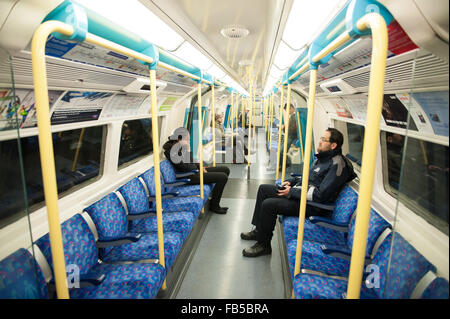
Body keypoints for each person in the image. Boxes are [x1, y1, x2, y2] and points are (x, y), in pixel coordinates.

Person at [241, 128, 356, 257]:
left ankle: (264, 245)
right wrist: (291, 182)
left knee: (269, 205)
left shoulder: (337, 165)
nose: (319, 142)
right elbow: (308, 177)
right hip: (300, 196)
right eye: (321, 138)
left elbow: (320, 195)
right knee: (264, 189)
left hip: (313, 206)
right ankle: (258, 230)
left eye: (323, 140)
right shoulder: (323, 158)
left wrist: (292, 192)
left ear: (333, 145)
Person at [163, 127, 230, 214]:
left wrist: (200, 167)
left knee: (225, 169)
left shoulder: (179, 147)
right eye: (186, 139)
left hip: (194, 172)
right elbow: (186, 168)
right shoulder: (172, 152)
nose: (188, 142)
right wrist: (188, 150)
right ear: (179, 139)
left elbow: (192, 162)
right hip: (188, 176)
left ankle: (213, 199)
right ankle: (214, 205)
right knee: (222, 177)